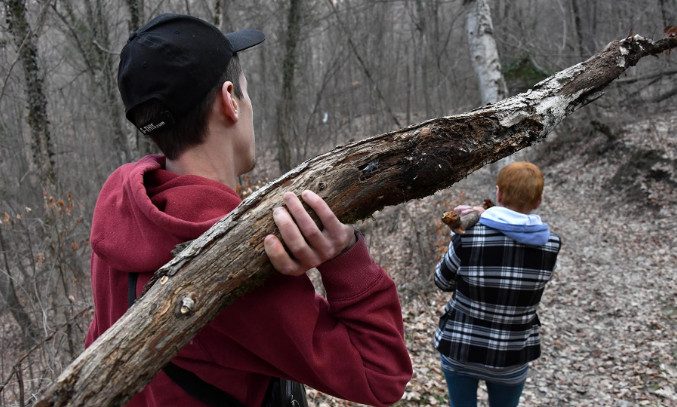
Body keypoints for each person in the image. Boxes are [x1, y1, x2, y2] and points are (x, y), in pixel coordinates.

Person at [85, 13, 412, 406]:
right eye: (246, 90)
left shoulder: (121, 216)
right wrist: (345, 259)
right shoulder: (233, 260)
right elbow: (381, 375)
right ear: (230, 101)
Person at [433, 162, 561, 407]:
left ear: (499, 194)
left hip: (461, 346)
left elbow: (441, 280)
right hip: (512, 354)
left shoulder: (468, 236)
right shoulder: (551, 245)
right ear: (538, 201)